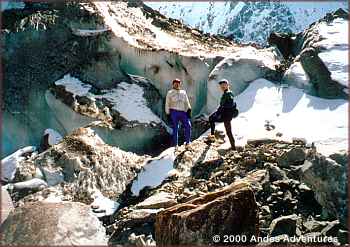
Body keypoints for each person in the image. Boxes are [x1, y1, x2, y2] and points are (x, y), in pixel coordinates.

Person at [208, 79, 236, 150]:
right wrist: (219, 111)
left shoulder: (228, 93)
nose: (222, 86)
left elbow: (230, 104)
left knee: (228, 131)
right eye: (221, 85)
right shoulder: (226, 93)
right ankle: (212, 136)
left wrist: (221, 109)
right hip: (225, 115)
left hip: (226, 115)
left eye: (224, 85)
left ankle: (233, 148)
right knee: (211, 118)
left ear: (227, 85)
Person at [165, 79, 192, 146]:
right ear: (173, 84)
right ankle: (175, 145)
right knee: (175, 128)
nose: (177, 84)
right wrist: (167, 113)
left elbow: (186, 102)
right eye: (175, 83)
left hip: (183, 112)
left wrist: (189, 109)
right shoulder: (170, 92)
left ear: (180, 84)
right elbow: (167, 103)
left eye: (178, 83)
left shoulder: (183, 92)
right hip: (174, 112)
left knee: (188, 126)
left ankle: (188, 142)